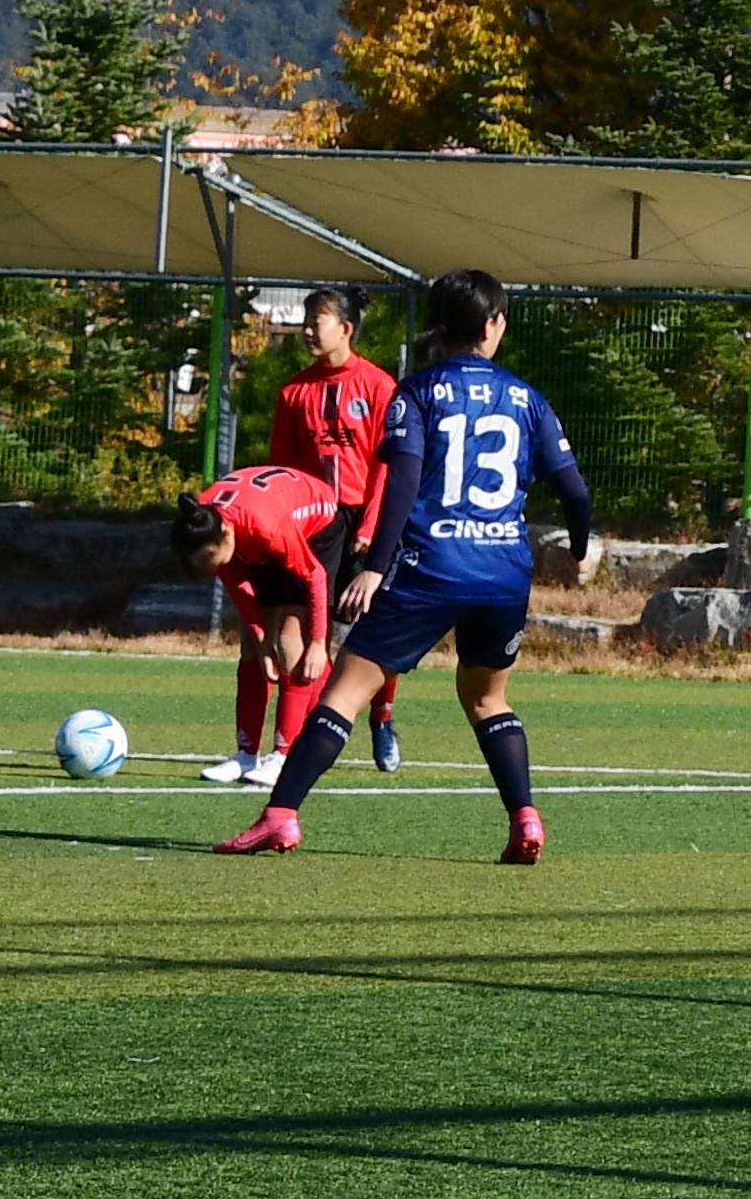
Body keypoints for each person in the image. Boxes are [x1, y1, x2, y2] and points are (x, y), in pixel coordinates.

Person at [216, 268, 589, 865]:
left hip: (430, 566)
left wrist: (375, 565)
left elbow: (404, 481)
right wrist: (578, 544)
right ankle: (525, 818)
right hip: (504, 573)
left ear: (440, 327)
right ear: (494, 325)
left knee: (344, 691)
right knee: (488, 699)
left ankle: (279, 816)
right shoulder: (528, 398)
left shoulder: (415, 392)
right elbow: (575, 490)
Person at [211, 284, 402, 785]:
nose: (306, 330)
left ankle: (382, 715)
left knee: (375, 636)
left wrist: (371, 524)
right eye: (305, 320)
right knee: (277, 636)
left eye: (316, 321)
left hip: (361, 520)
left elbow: (388, 463)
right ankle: (259, 752)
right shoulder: (294, 392)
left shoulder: (380, 387)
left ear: (346, 328)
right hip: (309, 525)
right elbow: (282, 468)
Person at [173, 460, 354, 804]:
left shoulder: (263, 528)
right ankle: (246, 754)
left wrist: (317, 643)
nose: (204, 567)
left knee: (290, 641)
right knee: (251, 647)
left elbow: (314, 577)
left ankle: (285, 755)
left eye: (207, 558)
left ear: (225, 536)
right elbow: (241, 586)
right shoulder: (210, 524)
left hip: (316, 529)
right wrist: (259, 636)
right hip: (266, 530)